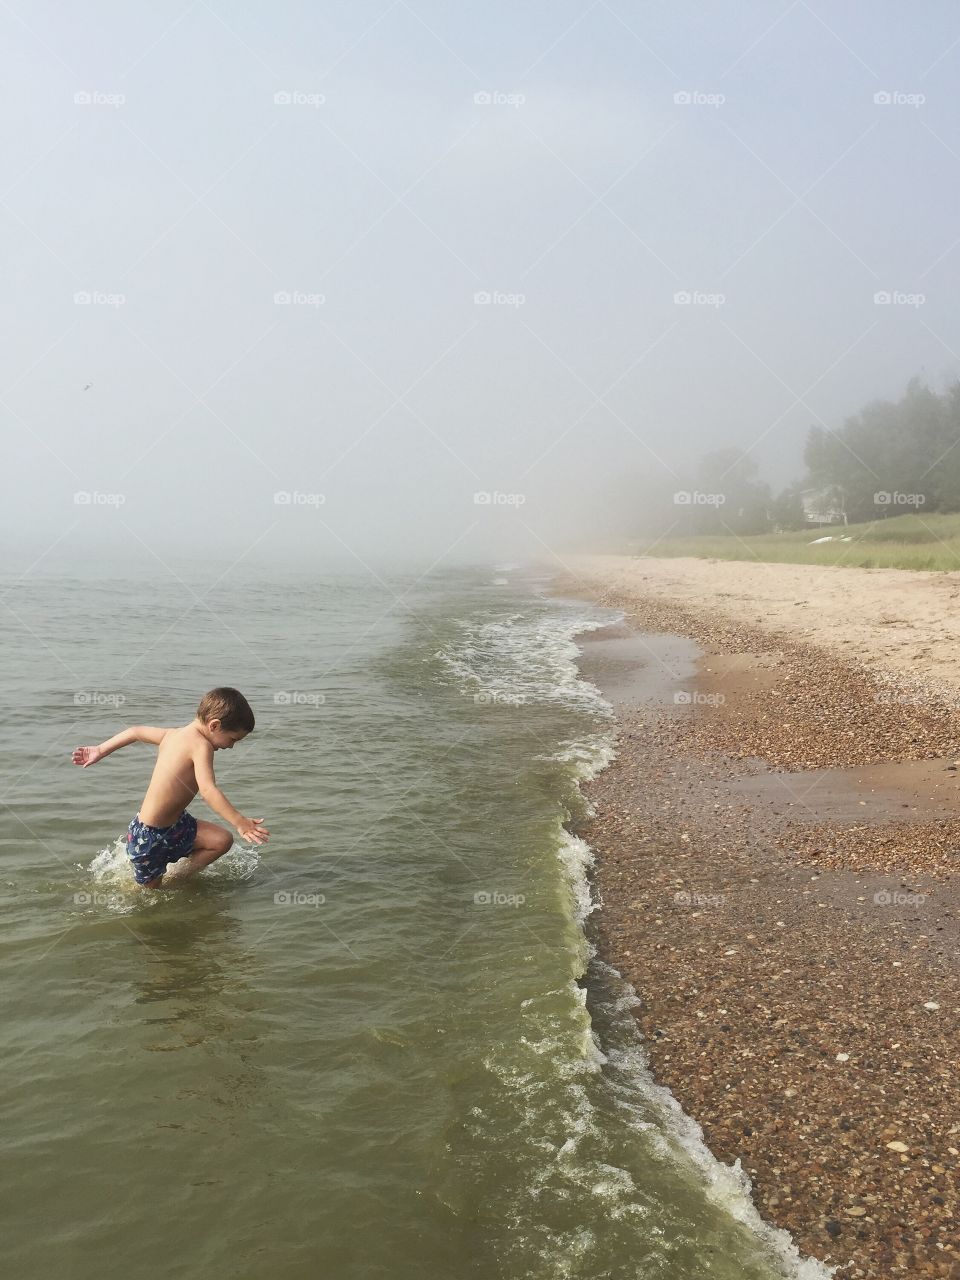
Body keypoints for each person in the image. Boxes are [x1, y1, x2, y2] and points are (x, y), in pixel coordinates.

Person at [72, 686, 269, 889]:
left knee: (221, 841)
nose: (230, 746)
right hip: (149, 837)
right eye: (233, 739)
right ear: (215, 725)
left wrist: (100, 750)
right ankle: (162, 885)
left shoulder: (172, 734)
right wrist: (239, 822)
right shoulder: (201, 746)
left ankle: (175, 878)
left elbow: (134, 732)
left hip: (176, 825)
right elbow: (208, 791)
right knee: (148, 896)